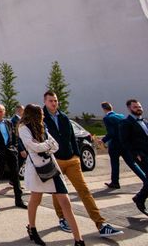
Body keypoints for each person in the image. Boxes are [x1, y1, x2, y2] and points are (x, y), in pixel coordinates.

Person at [43, 91, 123, 237]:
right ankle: (62, 218)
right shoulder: (41, 118)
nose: (54, 103)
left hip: (71, 160)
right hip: (55, 160)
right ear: (45, 102)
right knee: (58, 192)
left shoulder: (64, 117)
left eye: (55, 100)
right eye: (50, 101)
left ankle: (101, 224)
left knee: (84, 191)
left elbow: (72, 137)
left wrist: (77, 155)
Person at [18, 104, 84, 246]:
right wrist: (46, 145)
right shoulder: (23, 128)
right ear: (33, 114)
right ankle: (32, 227)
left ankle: (79, 240)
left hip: (52, 168)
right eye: (40, 113)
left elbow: (56, 145)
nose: (43, 115)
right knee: (35, 199)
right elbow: (33, 147)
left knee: (65, 202)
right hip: (38, 169)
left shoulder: (43, 126)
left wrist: (44, 145)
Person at [0, 104, 26, 208]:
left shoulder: (8, 122)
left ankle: (19, 200)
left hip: (10, 152)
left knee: (15, 176)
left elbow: (14, 136)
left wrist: (15, 148)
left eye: (1, 111)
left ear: (4, 112)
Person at [119, 99, 148, 216]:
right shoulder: (125, 123)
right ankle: (140, 198)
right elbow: (124, 141)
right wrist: (136, 154)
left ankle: (139, 197)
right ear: (129, 109)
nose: (139, 108)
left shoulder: (145, 121)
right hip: (141, 156)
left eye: (139, 106)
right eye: (135, 107)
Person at [101, 101, 126, 189]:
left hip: (114, 145)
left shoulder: (107, 118)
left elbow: (111, 133)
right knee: (132, 164)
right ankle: (144, 178)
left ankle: (115, 182)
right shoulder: (121, 116)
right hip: (124, 144)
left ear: (104, 109)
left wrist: (103, 140)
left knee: (115, 164)